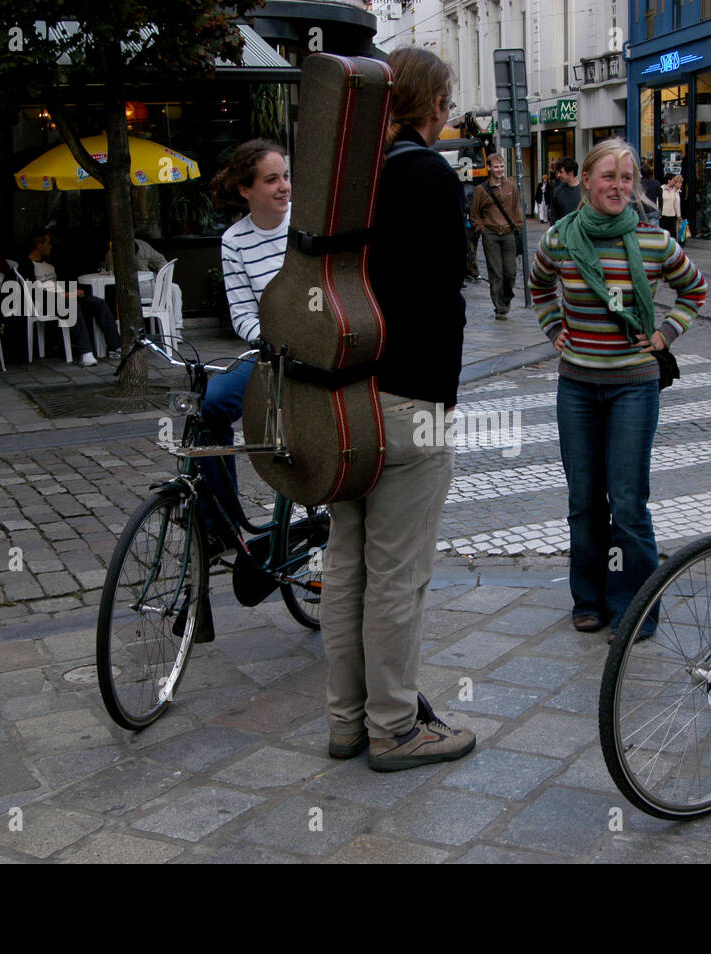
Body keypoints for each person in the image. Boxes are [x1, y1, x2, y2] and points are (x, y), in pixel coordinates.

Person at [321, 46, 475, 772]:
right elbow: (443, 294)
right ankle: (396, 727)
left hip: (346, 402)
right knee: (398, 574)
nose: (448, 114)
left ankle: (346, 722)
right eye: (444, 102)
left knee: (347, 563)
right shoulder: (427, 176)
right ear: (431, 104)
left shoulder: (350, 180)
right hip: (411, 397)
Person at [530, 138, 707, 640]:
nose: (618, 186)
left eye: (626, 178)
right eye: (608, 176)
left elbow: (695, 289)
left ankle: (634, 606)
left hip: (634, 385)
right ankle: (588, 598)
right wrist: (552, 328)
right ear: (585, 181)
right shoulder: (560, 240)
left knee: (628, 502)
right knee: (585, 500)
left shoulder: (654, 241)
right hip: (578, 387)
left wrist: (666, 331)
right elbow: (539, 286)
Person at [203, 138, 292, 561]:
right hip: (271, 353)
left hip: (318, 350)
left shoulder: (306, 225)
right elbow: (241, 314)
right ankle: (221, 526)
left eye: (285, 177)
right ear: (246, 190)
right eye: (271, 179)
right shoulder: (234, 241)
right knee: (212, 404)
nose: (283, 187)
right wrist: (268, 340)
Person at [24, 230, 121, 366]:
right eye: (48, 243)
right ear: (39, 246)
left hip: (61, 296)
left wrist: (72, 292)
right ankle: (86, 352)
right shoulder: (27, 266)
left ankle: (115, 346)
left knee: (97, 303)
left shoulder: (49, 264)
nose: (51, 246)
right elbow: (35, 293)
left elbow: (57, 286)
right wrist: (66, 295)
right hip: (43, 303)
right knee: (72, 306)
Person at [469, 152, 524, 320]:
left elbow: (517, 208)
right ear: (489, 168)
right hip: (491, 234)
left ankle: (506, 298)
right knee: (496, 272)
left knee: (510, 272)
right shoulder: (481, 190)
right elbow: (474, 214)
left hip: (508, 233)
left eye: (501, 166)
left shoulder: (511, 187)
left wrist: (518, 224)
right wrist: (482, 230)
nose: (500, 170)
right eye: (496, 166)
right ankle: (500, 308)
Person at [548, 157, 582, 223]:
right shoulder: (557, 192)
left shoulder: (586, 191)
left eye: (561, 172)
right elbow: (554, 217)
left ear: (570, 172)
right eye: (557, 172)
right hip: (564, 232)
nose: (558, 175)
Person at [660, 174, 683, 242]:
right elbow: (658, 201)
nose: (674, 182)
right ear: (669, 180)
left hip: (672, 215)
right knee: (664, 234)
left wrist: (678, 215)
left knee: (673, 235)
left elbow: (676, 204)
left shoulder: (674, 191)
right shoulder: (662, 189)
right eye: (673, 180)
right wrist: (658, 212)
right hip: (663, 215)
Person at [639, 162, 663, 227]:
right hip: (653, 209)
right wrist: (660, 211)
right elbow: (660, 199)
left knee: (642, 231)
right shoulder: (657, 183)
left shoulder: (639, 184)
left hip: (642, 210)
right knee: (652, 231)